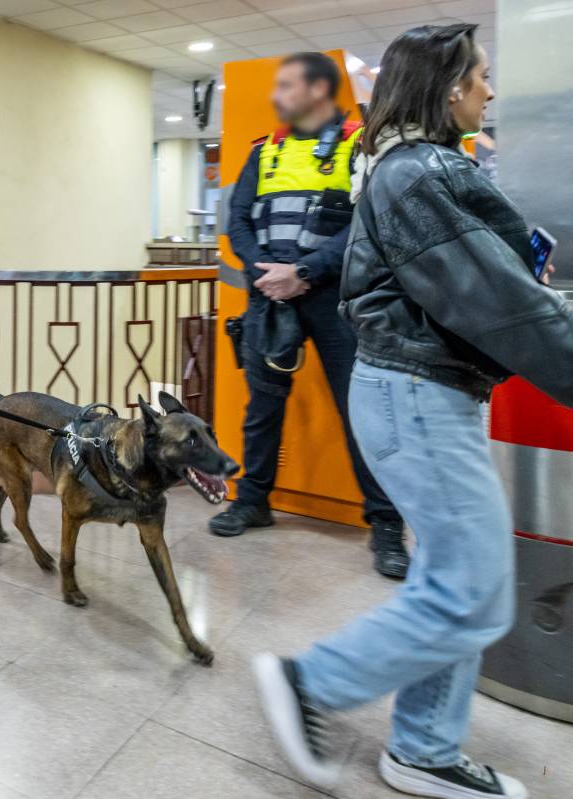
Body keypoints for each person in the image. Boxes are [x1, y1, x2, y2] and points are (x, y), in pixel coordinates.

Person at [253, 23, 573, 799]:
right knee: (474, 588)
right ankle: (309, 682)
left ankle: (424, 748)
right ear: (448, 85)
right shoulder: (418, 174)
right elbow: (504, 304)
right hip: (416, 397)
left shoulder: (413, 167)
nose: (489, 90)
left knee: (452, 577)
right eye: (481, 75)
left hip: (424, 394)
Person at [214, 51, 408, 580]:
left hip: (332, 298)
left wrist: (303, 271)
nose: (278, 96)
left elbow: (364, 225)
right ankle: (252, 502)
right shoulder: (265, 151)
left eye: (289, 86)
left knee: (359, 411)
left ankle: (386, 525)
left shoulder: (358, 145)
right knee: (262, 408)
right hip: (268, 296)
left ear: (320, 91)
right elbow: (238, 221)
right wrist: (264, 271)